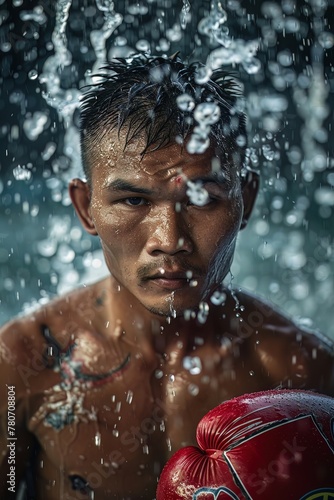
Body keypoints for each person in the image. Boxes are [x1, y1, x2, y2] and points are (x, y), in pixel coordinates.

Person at [0, 53, 333, 500]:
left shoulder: (301, 370)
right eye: (134, 201)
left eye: (202, 199)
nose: (169, 239)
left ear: (246, 199)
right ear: (85, 207)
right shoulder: (22, 366)